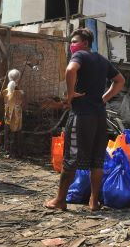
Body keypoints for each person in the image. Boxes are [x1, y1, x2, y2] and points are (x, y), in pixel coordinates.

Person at [45, 27, 125, 211]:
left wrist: (70, 93)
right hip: (99, 116)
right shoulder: (102, 60)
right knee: (97, 161)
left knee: (71, 158)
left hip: (82, 116)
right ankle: (94, 201)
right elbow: (120, 80)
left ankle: (60, 200)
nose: (72, 46)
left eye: (74, 42)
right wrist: (104, 98)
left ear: (85, 43)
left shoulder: (80, 56)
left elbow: (70, 70)